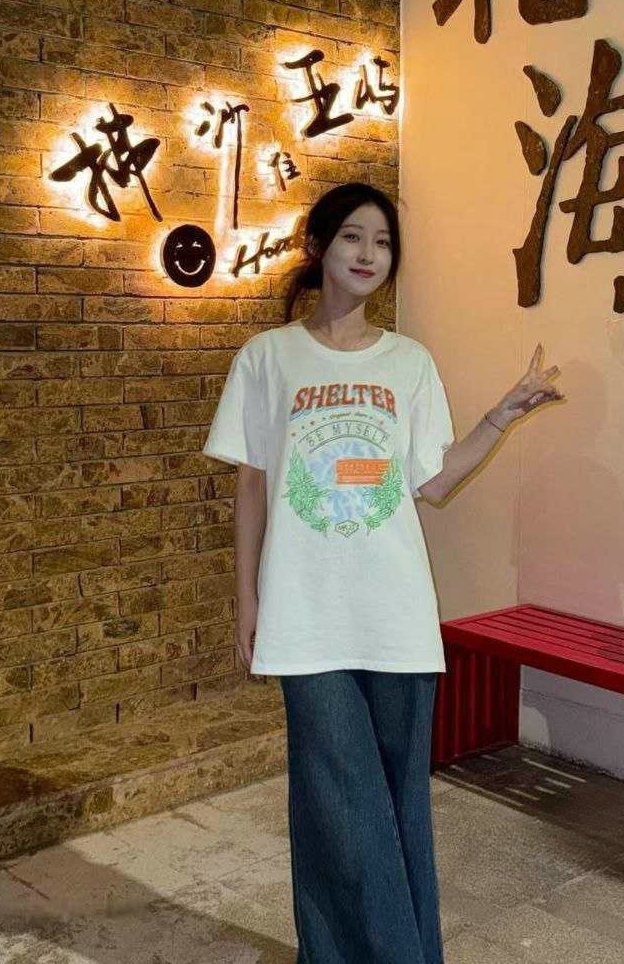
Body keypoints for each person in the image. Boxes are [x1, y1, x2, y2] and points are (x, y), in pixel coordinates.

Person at [202, 181, 563, 964]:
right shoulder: (267, 358)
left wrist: (502, 415)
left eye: (384, 242)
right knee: (340, 802)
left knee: (396, 807)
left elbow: (432, 481)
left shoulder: (409, 362)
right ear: (319, 246)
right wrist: (246, 600)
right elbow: (252, 485)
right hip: (305, 615)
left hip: (396, 614)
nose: (370, 254)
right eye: (353, 237)